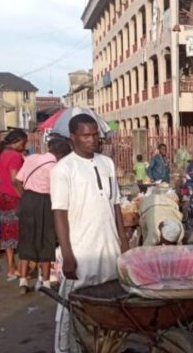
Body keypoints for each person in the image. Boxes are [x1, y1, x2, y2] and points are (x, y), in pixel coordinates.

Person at [51, 114, 129, 353]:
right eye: (86, 135)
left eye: (95, 134)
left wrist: (124, 244)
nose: (92, 140)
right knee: (74, 308)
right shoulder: (63, 169)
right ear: (73, 137)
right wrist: (67, 254)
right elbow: (59, 214)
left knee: (112, 307)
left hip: (109, 248)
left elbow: (115, 204)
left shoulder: (107, 163)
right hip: (81, 251)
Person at [13, 138, 71, 295]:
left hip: (27, 200)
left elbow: (17, 181)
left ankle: (23, 281)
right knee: (46, 241)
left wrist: (24, 197)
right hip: (46, 202)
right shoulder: (56, 168)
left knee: (26, 240)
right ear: (61, 155)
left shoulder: (32, 158)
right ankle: (45, 282)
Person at [0, 129, 28, 280]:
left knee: (7, 232)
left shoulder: (2, 154)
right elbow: (15, 180)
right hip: (13, 197)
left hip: (2, 195)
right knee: (21, 233)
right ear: (18, 140)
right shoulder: (15, 156)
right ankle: (22, 270)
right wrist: (24, 195)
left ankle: (11, 267)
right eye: (24, 142)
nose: (25, 145)